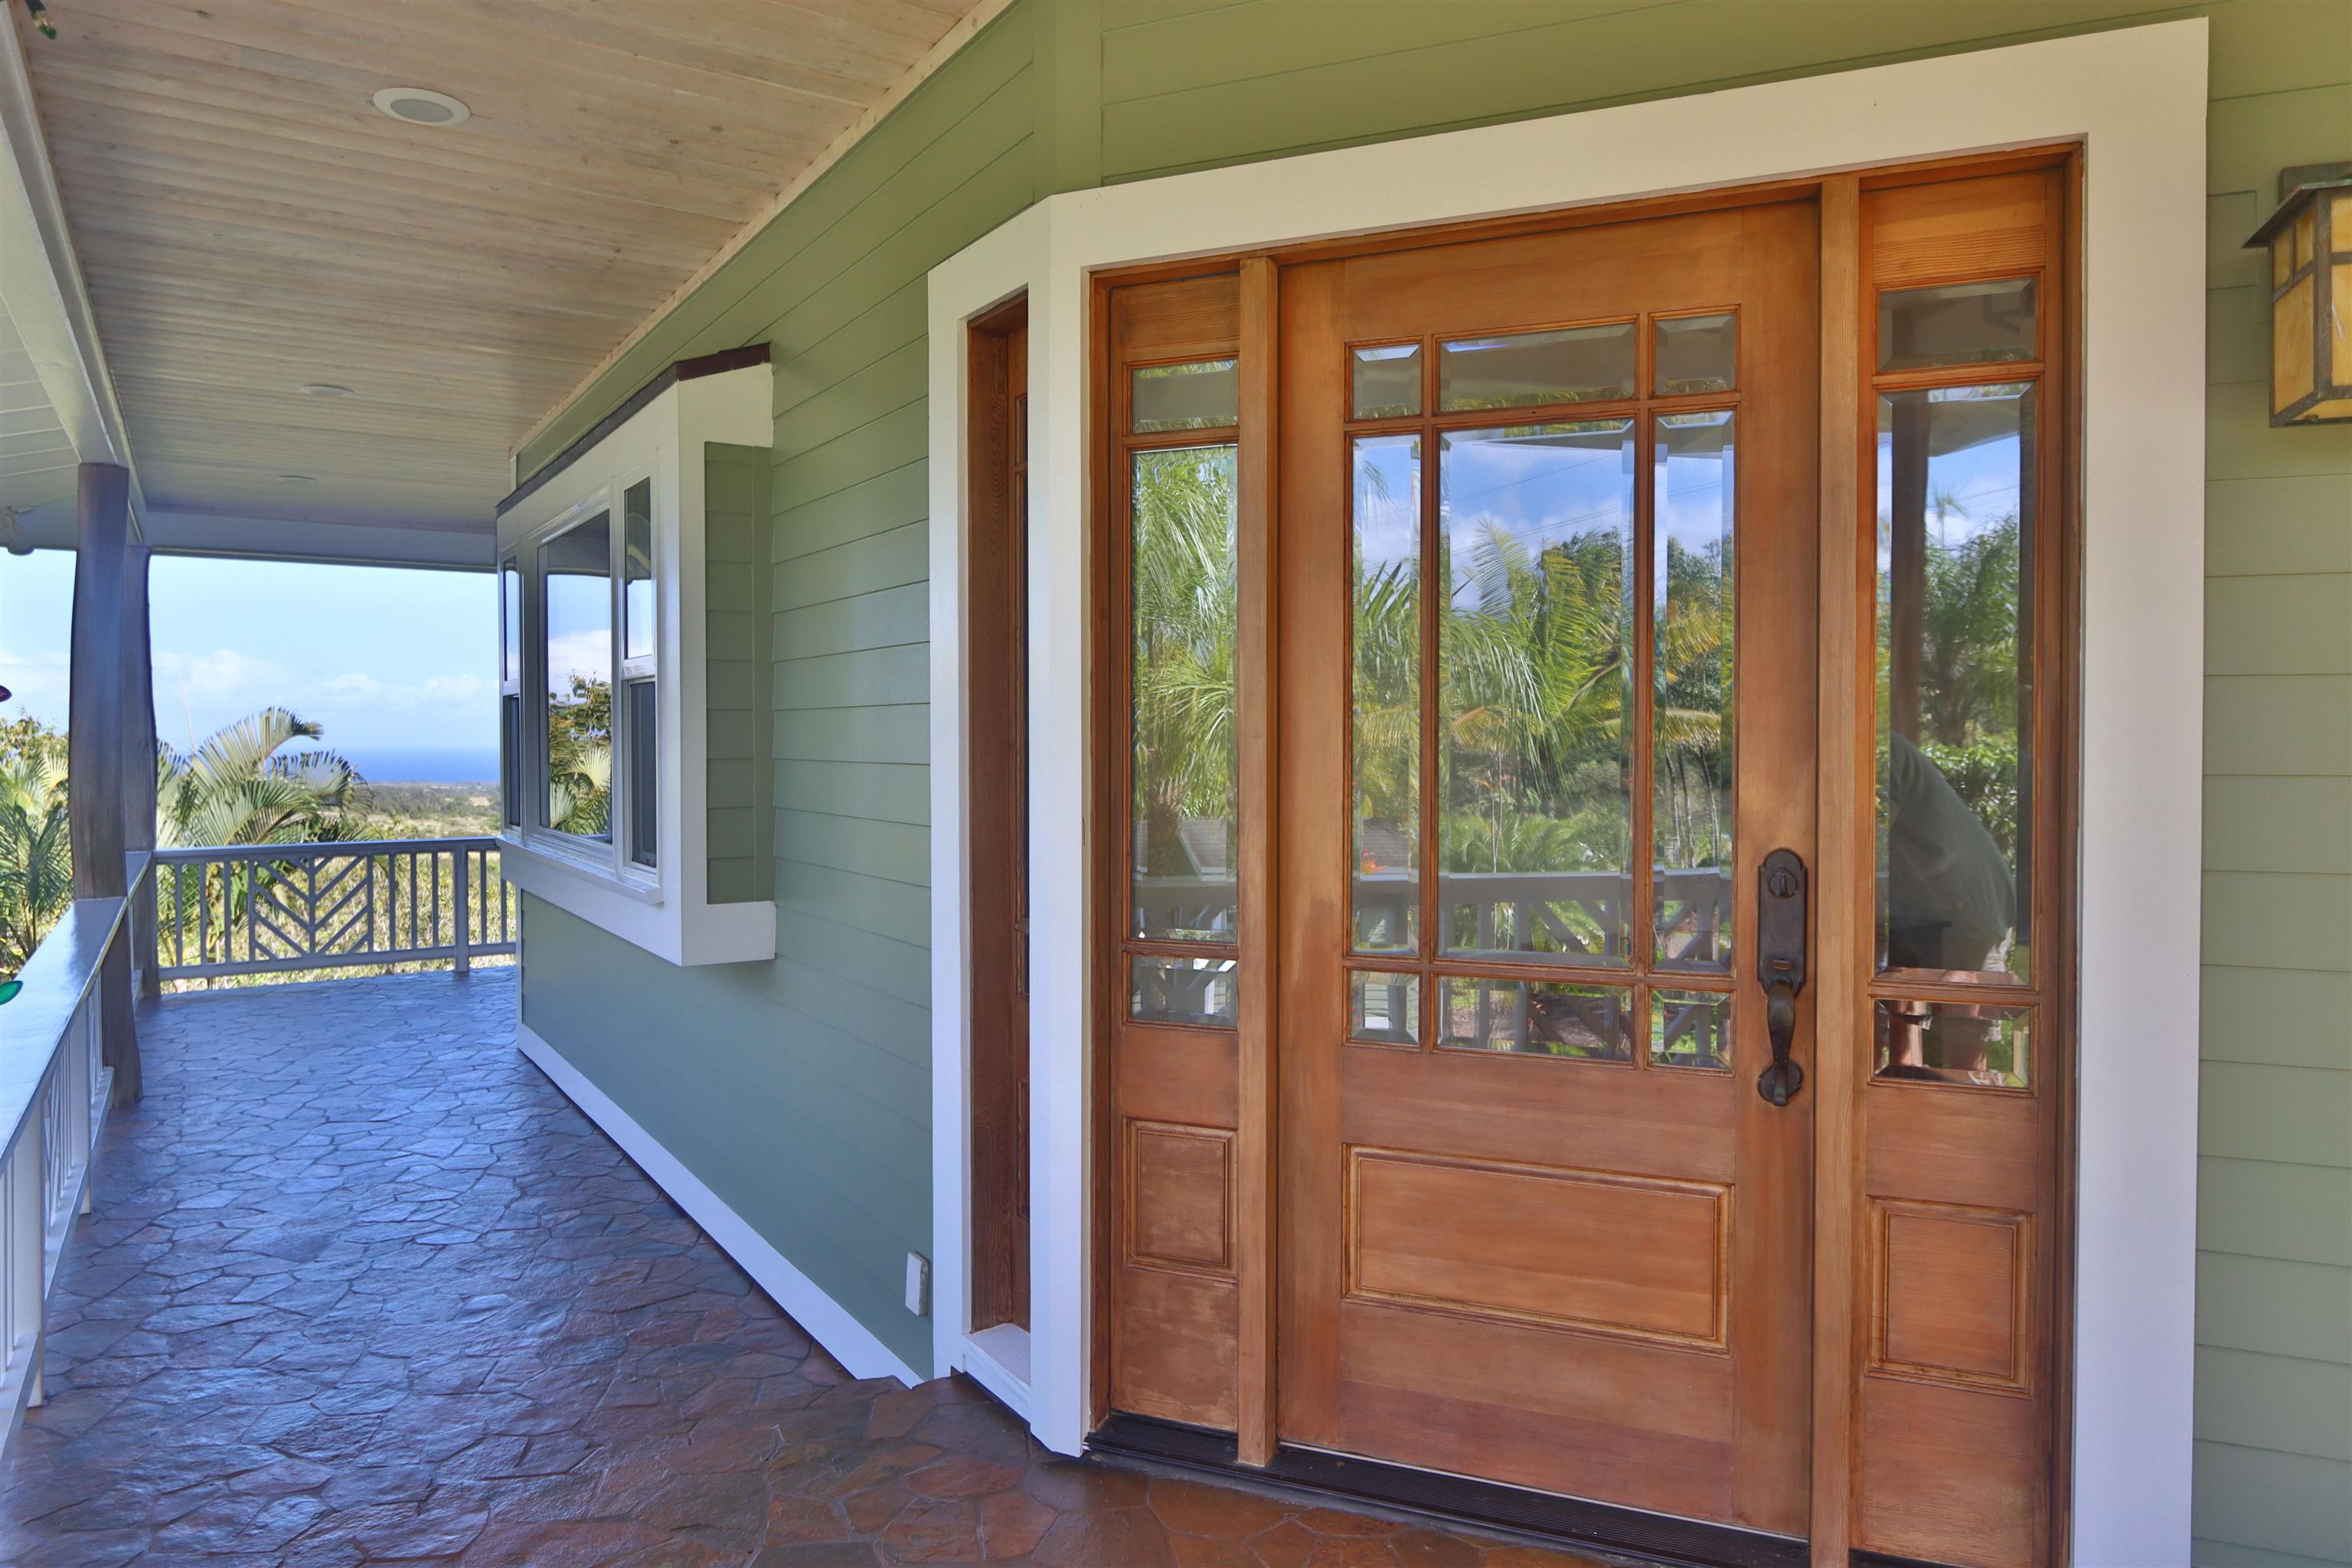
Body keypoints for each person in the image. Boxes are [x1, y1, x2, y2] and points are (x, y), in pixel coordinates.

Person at [1879, 733, 2017, 1083]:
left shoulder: (1879, 749)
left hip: (1965, 904)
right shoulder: (1876, 749)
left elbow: (1865, 840)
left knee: (1962, 1024)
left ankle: (1966, 1114)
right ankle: (1901, 1099)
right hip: (1922, 904)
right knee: (1900, 999)